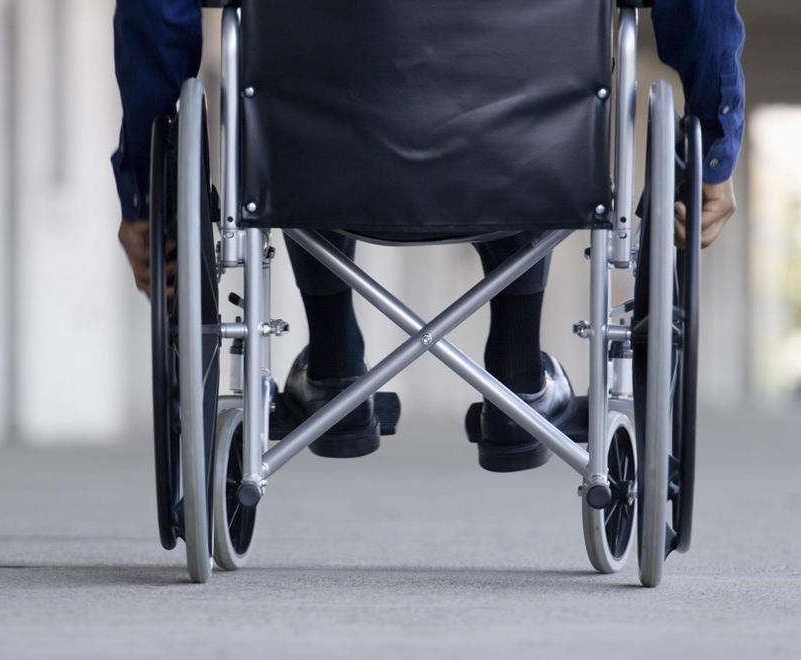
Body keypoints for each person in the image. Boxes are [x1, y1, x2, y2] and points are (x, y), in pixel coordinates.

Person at [112, 0, 744, 469]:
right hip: (526, 152)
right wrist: (713, 152)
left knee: (308, 103)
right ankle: (516, 371)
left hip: (318, 151)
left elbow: (155, 10)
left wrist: (148, 192)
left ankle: (333, 362)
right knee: (523, 104)